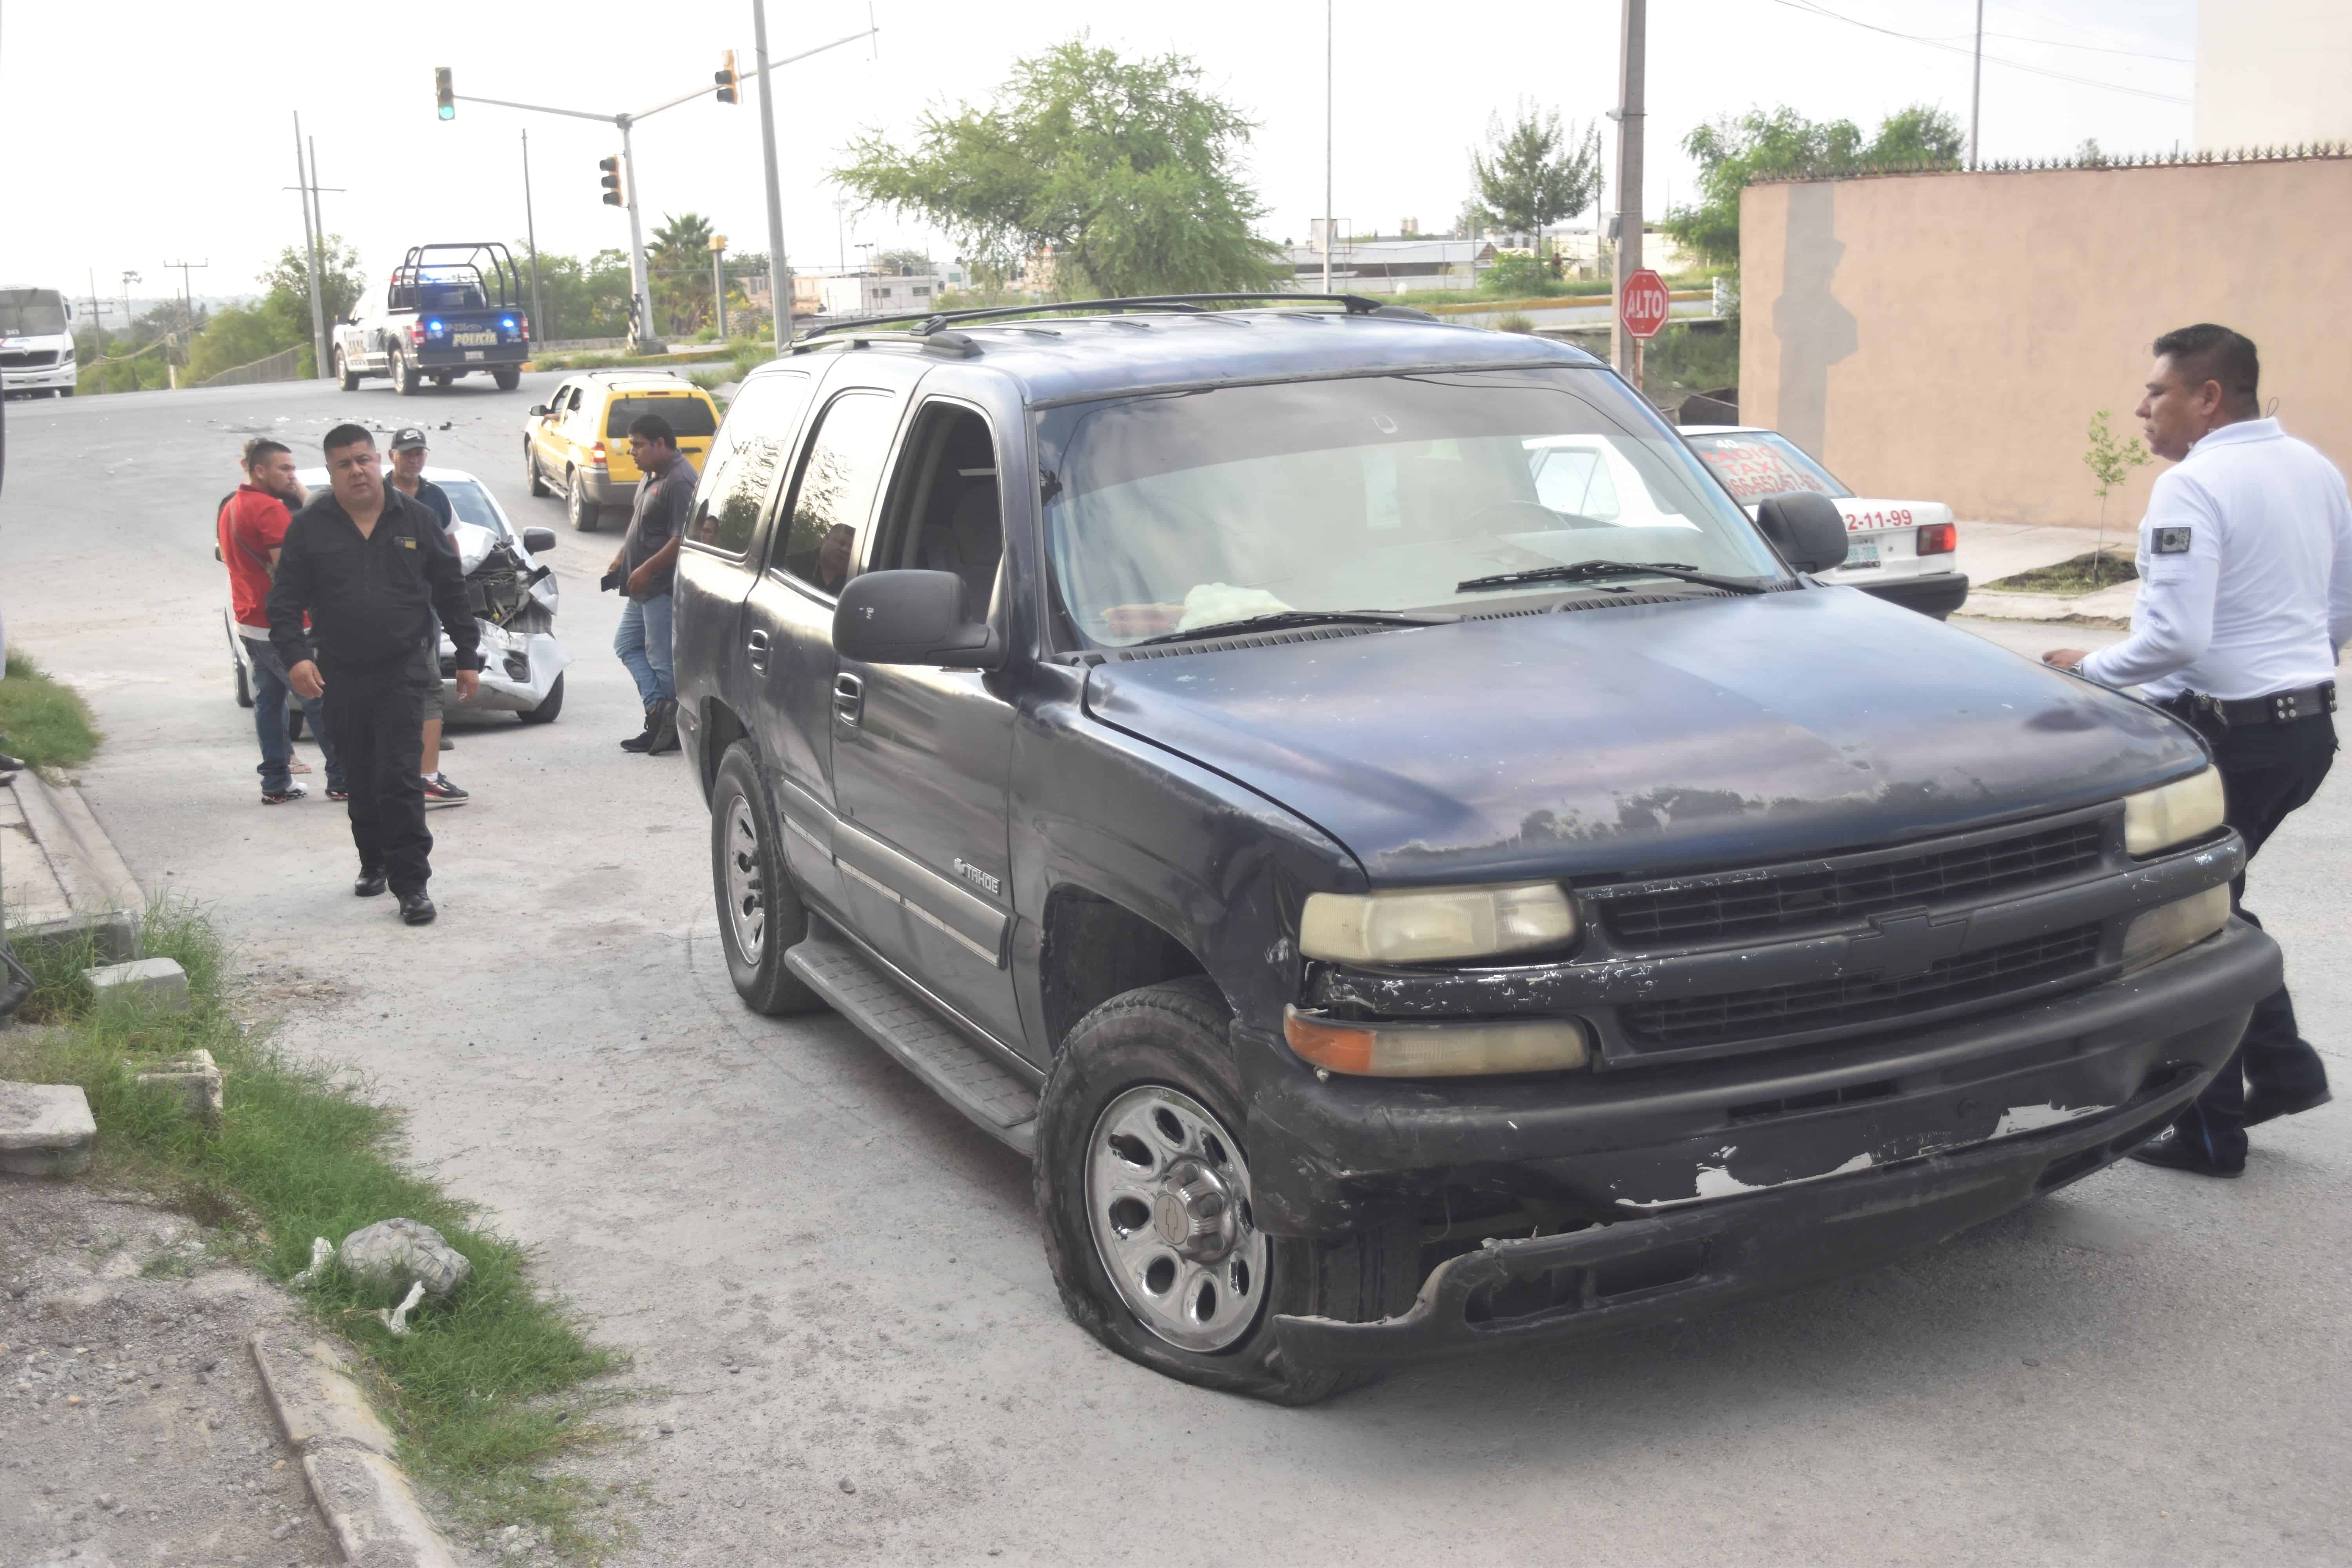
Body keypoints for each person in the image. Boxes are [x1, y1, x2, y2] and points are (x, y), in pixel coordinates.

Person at [2043, 323, 2352, 1176]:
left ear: (2208, 396)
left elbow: (2174, 638)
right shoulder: (2315, 469)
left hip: (2234, 734)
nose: (2142, 408)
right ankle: (2285, 1069)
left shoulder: (2194, 485)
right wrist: (2287, 670)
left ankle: (2213, 1135)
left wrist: (2089, 667)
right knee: (2220, 899)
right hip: (2304, 729)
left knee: (2186, 922)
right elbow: (2340, 607)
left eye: (2158, 391)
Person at [266, 425, 481, 926]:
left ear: (377, 460)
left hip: (404, 667)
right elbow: (285, 600)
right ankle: (373, 861)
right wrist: (297, 657)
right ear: (331, 471)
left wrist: (467, 655)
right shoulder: (311, 525)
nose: (357, 470)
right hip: (339, 671)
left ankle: (413, 885)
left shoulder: (417, 518)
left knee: (401, 777)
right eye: (344, 464)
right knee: (358, 776)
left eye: (363, 459)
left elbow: (451, 589)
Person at [218, 437, 345, 804]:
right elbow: (290, 574)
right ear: (260, 470)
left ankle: (276, 782)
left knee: (269, 704)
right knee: (319, 700)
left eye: (293, 468)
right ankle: (342, 778)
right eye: (285, 469)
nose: (292, 475)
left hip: (250, 622)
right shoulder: (269, 510)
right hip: (282, 626)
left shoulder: (233, 506)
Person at [383, 428, 470, 808]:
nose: (414, 459)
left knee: (428, 675)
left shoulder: (435, 495)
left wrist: (454, 583)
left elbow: (450, 545)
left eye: (419, 453)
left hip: (429, 603)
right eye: (407, 454)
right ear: (392, 456)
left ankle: (425, 748)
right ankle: (419, 772)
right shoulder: (378, 495)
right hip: (388, 608)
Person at [608, 413, 697, 755]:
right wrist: (621, 557)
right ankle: (659, 713)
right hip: (641, 588)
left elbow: (682, 539)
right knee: (627, 645)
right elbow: (639, 524)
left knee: (661, 661)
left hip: (661, 587)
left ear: (660, 444)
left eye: (638, 446)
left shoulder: (680, 480)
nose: (632, 453)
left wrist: (645, 568)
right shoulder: (651, 475)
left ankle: (670, 728)